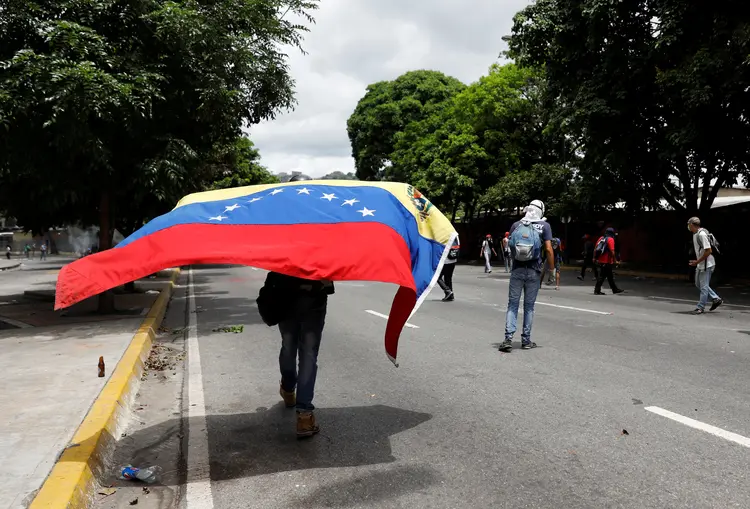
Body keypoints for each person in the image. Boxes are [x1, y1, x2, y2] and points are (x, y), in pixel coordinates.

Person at [270, 173, 333, 438]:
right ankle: (304, 416)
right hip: (313, 298)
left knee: (289, 345)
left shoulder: (278, 221)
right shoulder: (324, 220)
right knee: (308, 355)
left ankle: (288, 387)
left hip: (287, 296)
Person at [499, 199, 555, 352]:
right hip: (534, 271)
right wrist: (552, 270)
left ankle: (508, 339)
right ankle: (526, 340)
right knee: (529, 307)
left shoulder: (516, 225)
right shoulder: (545, 226)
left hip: (517, 270)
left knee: (512, 305)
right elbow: (549, 250)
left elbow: (509, 247)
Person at [687, 217, 723, 314]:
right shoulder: (695, 234)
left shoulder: (702, 234)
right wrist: (698, 262)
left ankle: (700, 307)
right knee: (698, 284)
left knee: (703, 287)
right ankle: (716, 298)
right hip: (701, 264)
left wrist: (697, 261)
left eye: (689, 224)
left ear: (692, 225)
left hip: (707, 264)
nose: (688, 227)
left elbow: (709, 250)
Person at [594, 228, 624, 295]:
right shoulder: (610, 239)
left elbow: (595, 249)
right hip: (607, 261)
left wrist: (594, 258)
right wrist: (615, 260)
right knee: (602, 276)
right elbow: (612, 252)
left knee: (609, 276)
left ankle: (614, 289)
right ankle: (597, 290)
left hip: (601, 260)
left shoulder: (601, 238)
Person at [438, 236, 460, 301]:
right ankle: (450, 295)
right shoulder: (456, 236)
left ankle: (447, 290)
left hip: (446, 260)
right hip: (453, 259)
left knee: (438, 277)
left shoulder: (446, 235)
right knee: (448, 278)